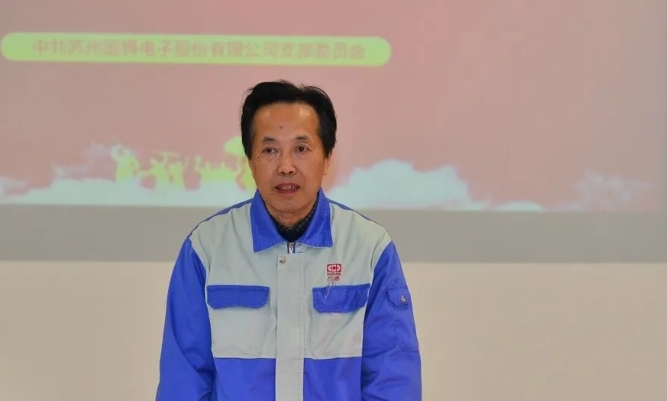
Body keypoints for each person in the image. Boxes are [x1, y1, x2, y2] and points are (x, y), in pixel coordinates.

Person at [155, 80, 422, 401]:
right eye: (270, 150)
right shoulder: (207, 248)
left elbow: (393, 380)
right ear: (250, 160)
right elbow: (183, 380)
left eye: (301, 149)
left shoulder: (368, 248)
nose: (285, 167)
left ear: (327, 158)